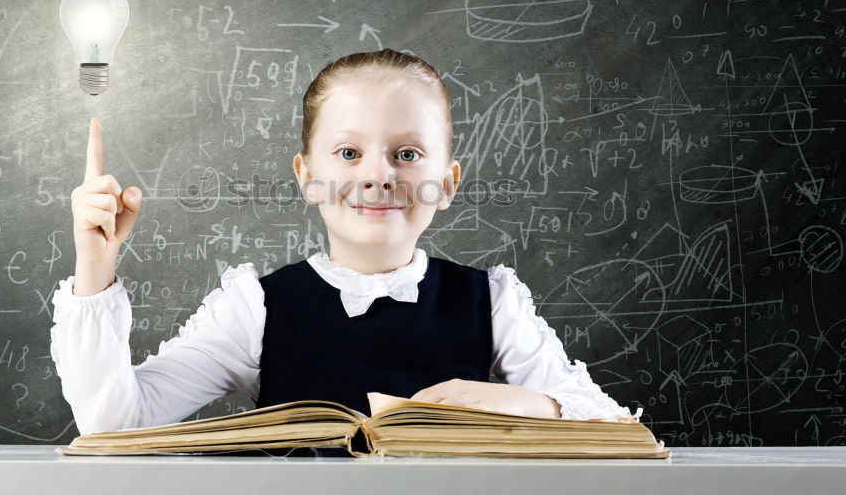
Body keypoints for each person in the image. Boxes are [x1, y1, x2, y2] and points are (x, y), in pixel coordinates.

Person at [50, 48, 634, 438]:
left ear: (448, 182)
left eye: (407, 154)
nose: (379, 176)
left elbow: (619, 431)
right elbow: (113, 425)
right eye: (349, 153)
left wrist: (535, 404)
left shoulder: (493, 301)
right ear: (307, 175)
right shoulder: (255, 307)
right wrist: (94, 269)